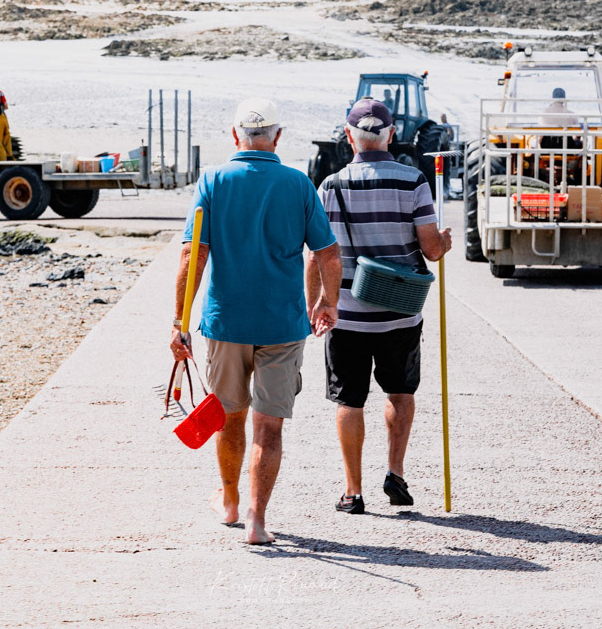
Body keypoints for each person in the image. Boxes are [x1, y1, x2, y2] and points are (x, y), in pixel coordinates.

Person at [170, 97, 342, 545]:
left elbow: (192, 254)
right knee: (269, 426)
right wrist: (328, 302)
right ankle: (256, 520)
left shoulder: (213, 181)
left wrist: (179, 321)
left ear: (235, 136)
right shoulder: (298, 184)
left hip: (226, 323)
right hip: (282, 326)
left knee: (229, 418)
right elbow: (327, 253)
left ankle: (229, 502)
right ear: (277, 137)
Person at [306, 98, 452, 515]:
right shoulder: (414, 181)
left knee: (349, 401)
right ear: (391, 134)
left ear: (349, 136)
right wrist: (444, 242)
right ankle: (395, 473)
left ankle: (353, 492)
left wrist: (315, 304)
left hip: (347, 315)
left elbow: (316, 254)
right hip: (401, 313)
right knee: (400, 393)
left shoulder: (330, 186)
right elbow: (431, 250)